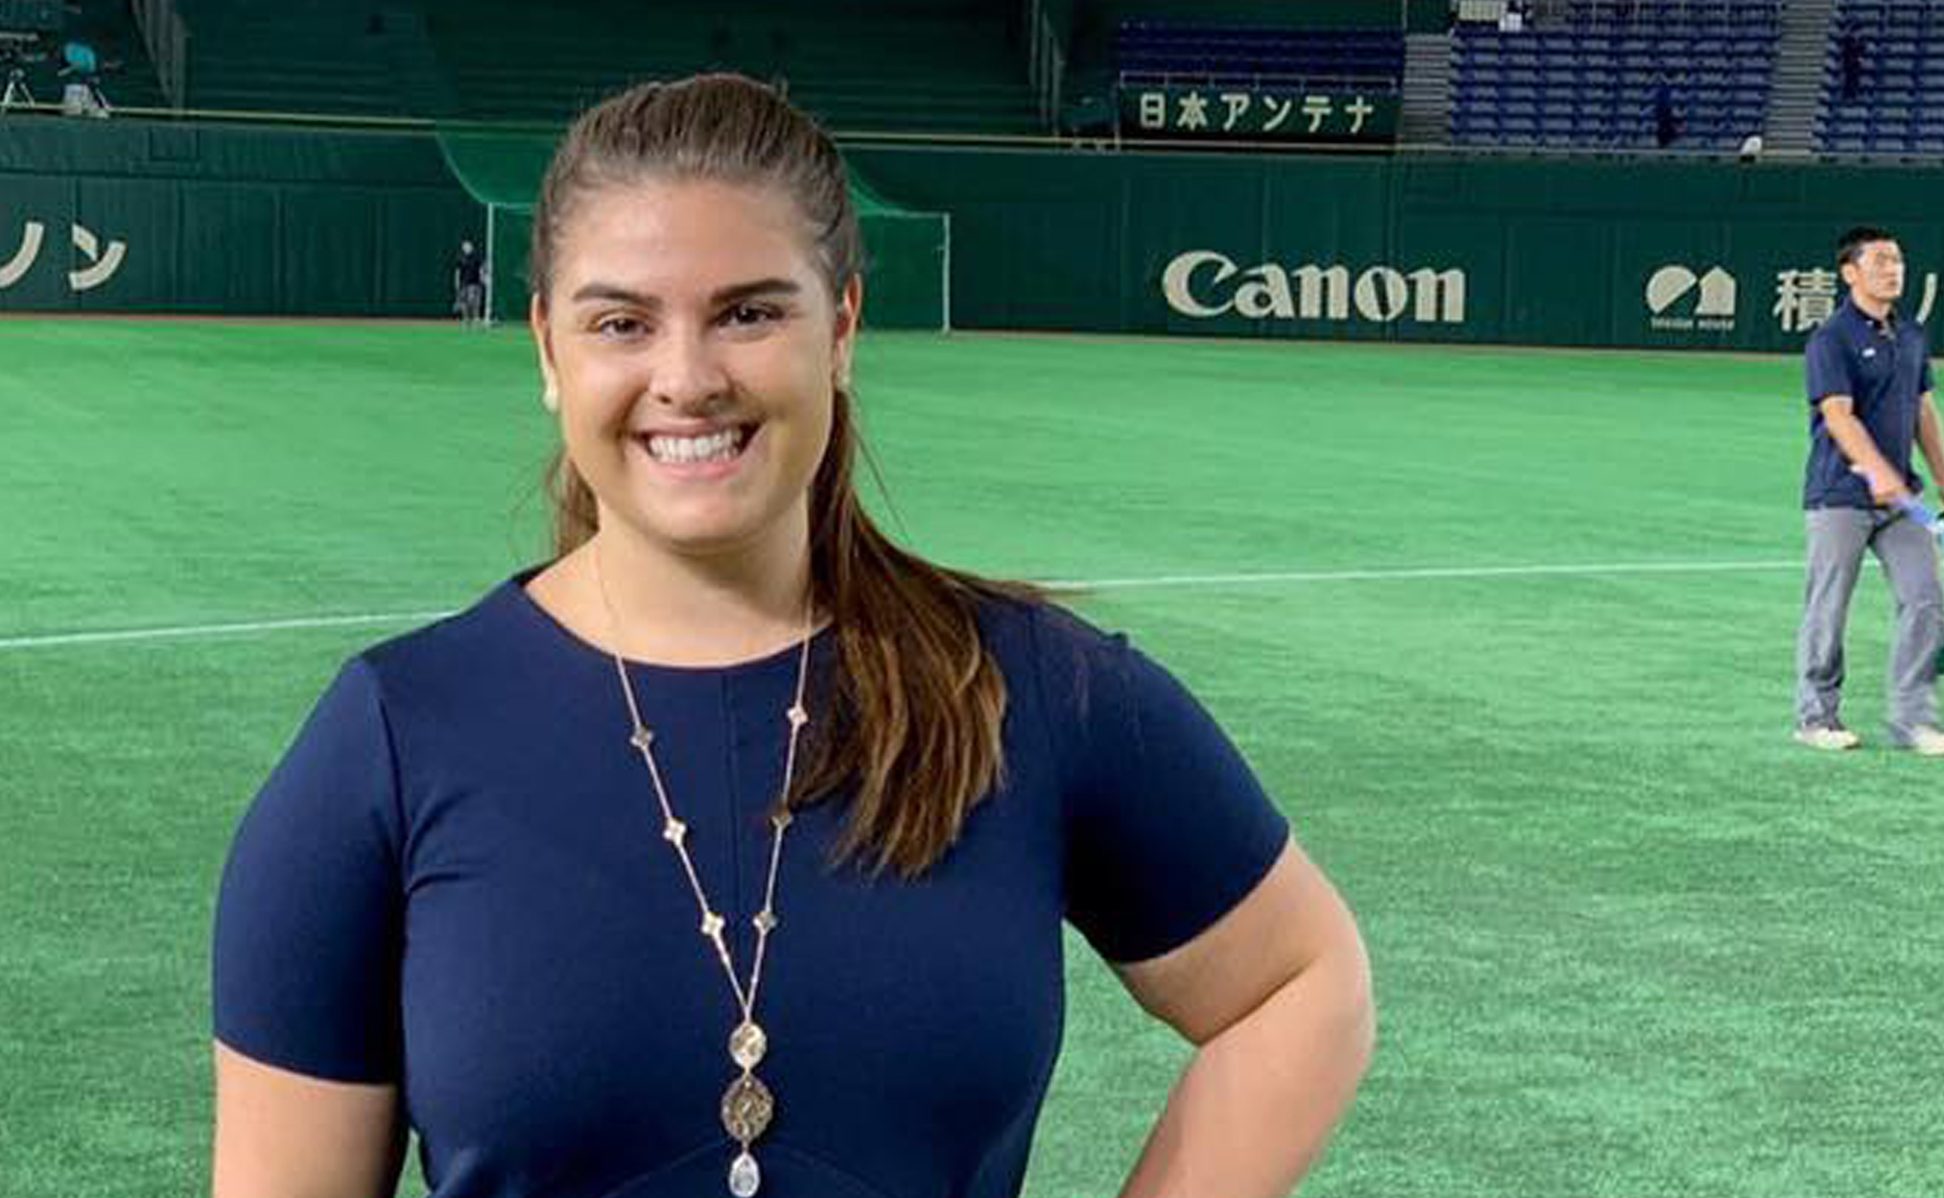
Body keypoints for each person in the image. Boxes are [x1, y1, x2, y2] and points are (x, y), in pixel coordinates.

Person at [209, 73, 1373, 1198]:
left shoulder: (1027, 688)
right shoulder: (395, 740)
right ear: (550, 354)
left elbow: (1302, 980)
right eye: (621, 322)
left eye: (750, 312)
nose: (686, 377)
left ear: (843, 329)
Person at [1796, 226, 1944, 755]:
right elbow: (1838, 416)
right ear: (1850, 273)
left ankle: (1914, 722)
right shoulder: (1831, 339)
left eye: (1898, 260)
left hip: (1902, 504)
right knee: (1828, 608)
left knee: (1926, 601)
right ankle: (1816, 718)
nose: (1893, 270)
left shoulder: (1910, 334)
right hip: (1839, 497)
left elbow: (1923, 411)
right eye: (1880, 261)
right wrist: (1879, 473)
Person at [452, 238, 488, 327]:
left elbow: (481, 268)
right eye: (465, 247)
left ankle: (476, 317)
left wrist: (483, 278)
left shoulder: (477, 257)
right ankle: (466, 318)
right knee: (463, 302)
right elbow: (457, 271)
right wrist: (456, 282)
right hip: (464, 283)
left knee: (473, 301)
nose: (466, 248)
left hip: (475, 282)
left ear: (471, 247)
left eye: (468, 247)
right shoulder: (460, 258)